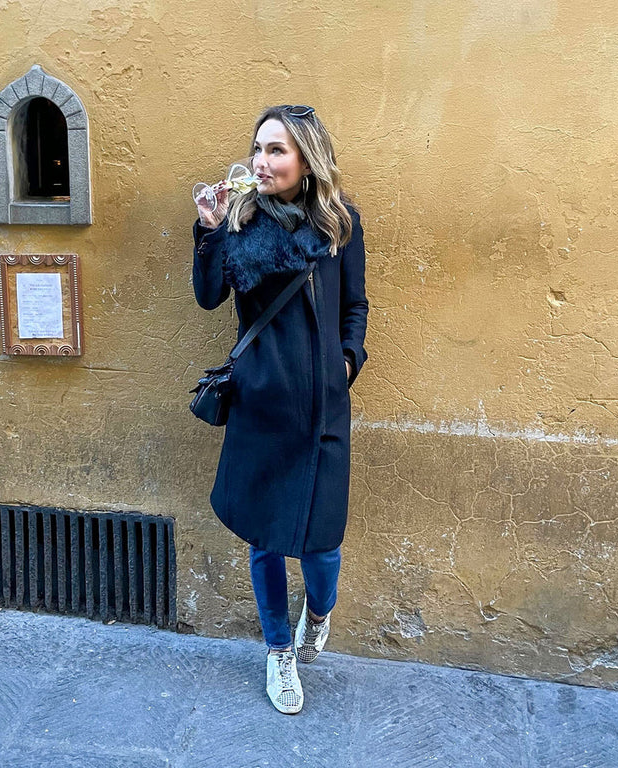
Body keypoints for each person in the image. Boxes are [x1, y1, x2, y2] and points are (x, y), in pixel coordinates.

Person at [191, 105, 369, 714]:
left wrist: (346, 363)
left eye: (277, 151)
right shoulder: (239, 219)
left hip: (322, 407)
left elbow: (356, 306)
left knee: (322, 547)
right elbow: (209, 296)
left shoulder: (340, 223)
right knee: (265, 540)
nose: (261, 162)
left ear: (306, 162)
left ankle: (318, 611)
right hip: (262, 403)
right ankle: (278, 651)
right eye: (258, 148)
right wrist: (209, 228)